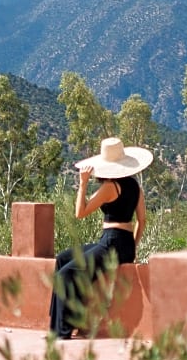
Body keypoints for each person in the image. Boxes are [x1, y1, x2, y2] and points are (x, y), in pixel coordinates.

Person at [48, 137, 153, 339]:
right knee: (62, 259)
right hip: (122, 243)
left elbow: (80, 212)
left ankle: (62, 331)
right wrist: (133, 246)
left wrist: (82, 183)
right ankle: (60, 323)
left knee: (64, 275)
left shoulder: (110, 187)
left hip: (112, 242)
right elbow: (142, 220)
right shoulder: (135, 187)